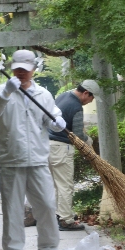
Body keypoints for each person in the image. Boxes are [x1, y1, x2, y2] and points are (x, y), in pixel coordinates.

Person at [0, 49, 66, 250]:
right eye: (17, 68)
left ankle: (48, 249)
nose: (21, 73)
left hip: (38, 159)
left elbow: (50, 118)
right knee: (12, 210)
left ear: (33, 70)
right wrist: (6, 94)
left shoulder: (43, 94)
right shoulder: (2, 90)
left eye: (25, 69)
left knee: (48, 206)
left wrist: (56, 123)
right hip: (11, 159)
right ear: (12, 68)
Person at [48, 80, 102, 231]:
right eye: (92, 98)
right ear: (86, 93)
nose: (91, 101)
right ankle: (66, 220)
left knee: (55, 185)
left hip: (47, 145)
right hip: (61, 148)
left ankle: (59, 215)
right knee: (65, 185)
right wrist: (89, 140)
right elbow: (77, 135)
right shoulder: (77, 107)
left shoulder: (62, 96)